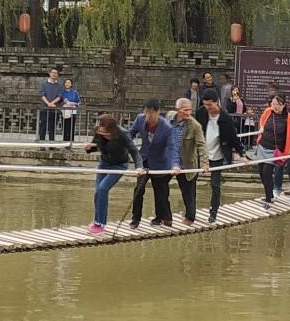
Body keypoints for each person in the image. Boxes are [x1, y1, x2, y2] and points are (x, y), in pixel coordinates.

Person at [194, 89, 246, 223]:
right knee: (191, 180)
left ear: (216, 102)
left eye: (210, 105)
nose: (207, 108)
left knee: (215, 184)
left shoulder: (225, 118)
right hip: (201, 153)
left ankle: (213, 212)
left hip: (217, 154)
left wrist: (242, 153)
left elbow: (233, 138)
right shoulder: (200, 113)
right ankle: (190, 211)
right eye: (205, 104)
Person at [127, 100, 178, 228]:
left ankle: (161, 217)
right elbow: (130, 134)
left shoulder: (166, 127)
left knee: (161, 192)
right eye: (146, 113)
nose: (149, 116)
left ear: (157, 112)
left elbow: (172, 147)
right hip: (144, 160)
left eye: (151, 113)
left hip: (161, 163)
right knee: (138, 189)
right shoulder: (140, 119)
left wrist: (175, 164)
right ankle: (135, 218)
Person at [85, 113, 137, 234]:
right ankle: (97, 222)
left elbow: (134, 151)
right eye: (101, 133)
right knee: (98, 191)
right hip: (104, 163)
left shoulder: (122, 134)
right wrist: (89, 148)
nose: (103, 135)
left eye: (105, 134)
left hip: (119, 165)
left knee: (103, 189)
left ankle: (101, 224)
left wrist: (139, 167)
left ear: (111, 130)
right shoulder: (99, 132)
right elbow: (97, 146)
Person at [255, 94, 290, 207]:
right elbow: (262, 120)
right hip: (262, 147)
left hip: (274, 151)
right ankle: (269, 195)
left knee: (267, 172)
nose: (274, 107)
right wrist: (261, 127)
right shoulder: (268, 112)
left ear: (283, 105)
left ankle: (268, 200)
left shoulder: (289, 118)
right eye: (273, 104)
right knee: (261, 172)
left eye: (278, 105)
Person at [171, 97, 204, 224]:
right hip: (172, 161)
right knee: (161, 186)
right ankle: (164, 216)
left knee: (188, 191)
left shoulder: (195, 126)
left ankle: (190, 216)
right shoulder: (170, 120)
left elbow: (202, 145)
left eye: (190, 110)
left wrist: (205, 164)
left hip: (188, 163)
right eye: (185, 110)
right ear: (177, 110)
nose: (188, 113)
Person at [37, 68, 65, 143]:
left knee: (52, 128)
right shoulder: (44, 84)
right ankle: (42, 144)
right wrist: (48, 103)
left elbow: (60, 96)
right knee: (43, 127)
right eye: (52, 72)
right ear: (49, 74)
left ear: (57, 75)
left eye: (56, 73)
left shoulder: (60, 86)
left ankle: (51, 144)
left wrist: (52, 103)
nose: (54, 74)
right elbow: (42, 95)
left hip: (54, 110)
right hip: (44, 108)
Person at [60, 78, 81, 143]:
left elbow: (79, 102)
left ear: (71, 84)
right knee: (65, 127)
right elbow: (59, 102)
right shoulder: (62, 92)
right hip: (64, 111)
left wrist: (73, 103)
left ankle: (71, 142)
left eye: (69, 82)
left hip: (73, 111)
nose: (67, 84)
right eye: (66, 82)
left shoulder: (75, 92)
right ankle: (65, 142)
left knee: (72, 127)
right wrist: (64, 102)